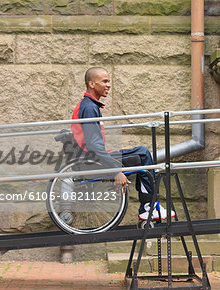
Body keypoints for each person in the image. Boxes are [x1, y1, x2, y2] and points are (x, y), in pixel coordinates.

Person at [71, 67, 175, 221]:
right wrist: (115, 171)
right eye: (104, 81)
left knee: (141, 153)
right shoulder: (90, 107)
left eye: (109, 81)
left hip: (89, 158)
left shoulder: (88, 105)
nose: (109, 85)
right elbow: (93, 145)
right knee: (143, 155)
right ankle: (149, 207)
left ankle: (149, 205)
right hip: (91, 161)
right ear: (91, 84)